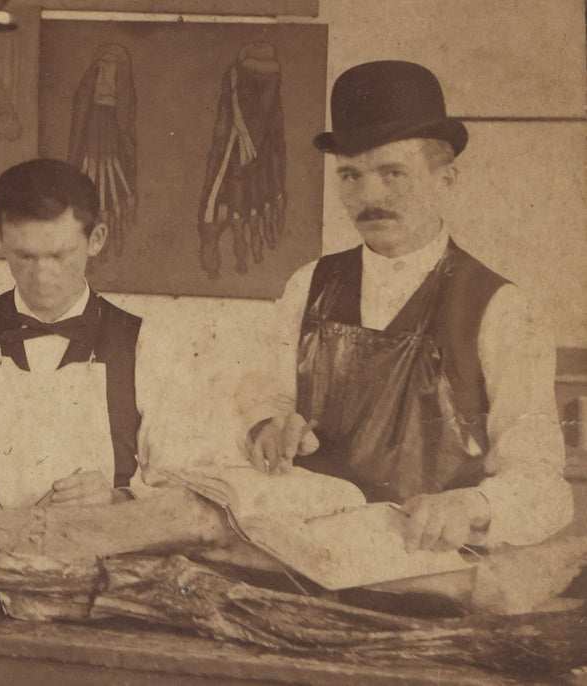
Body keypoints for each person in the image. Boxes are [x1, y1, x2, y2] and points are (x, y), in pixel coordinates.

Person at [243, 60, 572, 553]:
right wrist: (267, 426)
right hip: (307, 552)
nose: (369, 196)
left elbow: (543, 485)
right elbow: (263, 397)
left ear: (446, 180)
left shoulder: (503, 309)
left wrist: (473, 506)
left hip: (426, 564)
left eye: (392, 173)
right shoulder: (308, 284)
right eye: (350, 176)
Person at [0, 158, 166, 509]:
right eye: (25, 256)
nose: (42, 277)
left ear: (96, 239)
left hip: (99, 542)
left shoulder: (143, 344)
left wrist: (116, 499)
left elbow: (179, 490)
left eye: (59, 256)